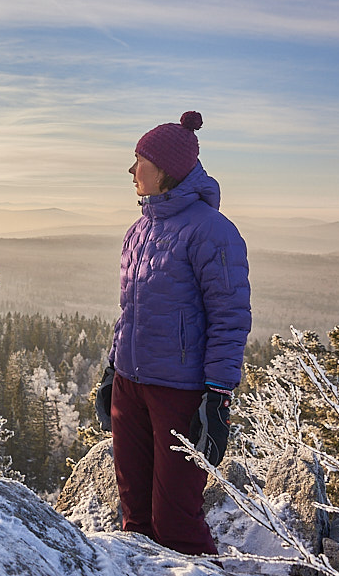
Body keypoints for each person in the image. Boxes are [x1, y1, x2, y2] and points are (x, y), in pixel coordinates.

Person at [106, 110, 251, 555]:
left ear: (165, 169)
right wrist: (112, 369)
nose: (131, 170)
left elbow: (230, 317)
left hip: (180, 392)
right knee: (136, 512)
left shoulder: (212, 233)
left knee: (176, 519)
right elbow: (130, 308)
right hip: (130, 386)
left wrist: (217, 395)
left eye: (139, 160)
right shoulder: (139, 230)